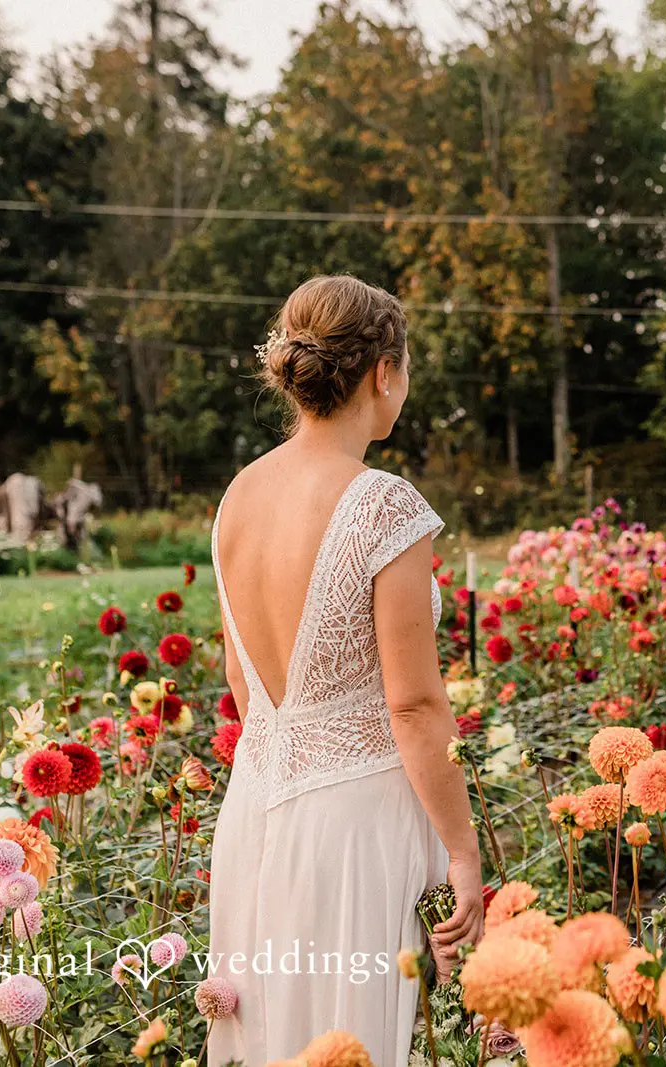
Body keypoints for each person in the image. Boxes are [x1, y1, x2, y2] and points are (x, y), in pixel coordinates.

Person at [207, 275, 484, 1065]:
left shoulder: (239, 495)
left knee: (266, 1036)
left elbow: (241, 683)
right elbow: (415, 704)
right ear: (383, 372)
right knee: (346, 1041)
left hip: (254, 810)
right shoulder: (383, 505)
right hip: (356, 830)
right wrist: (462, 852)